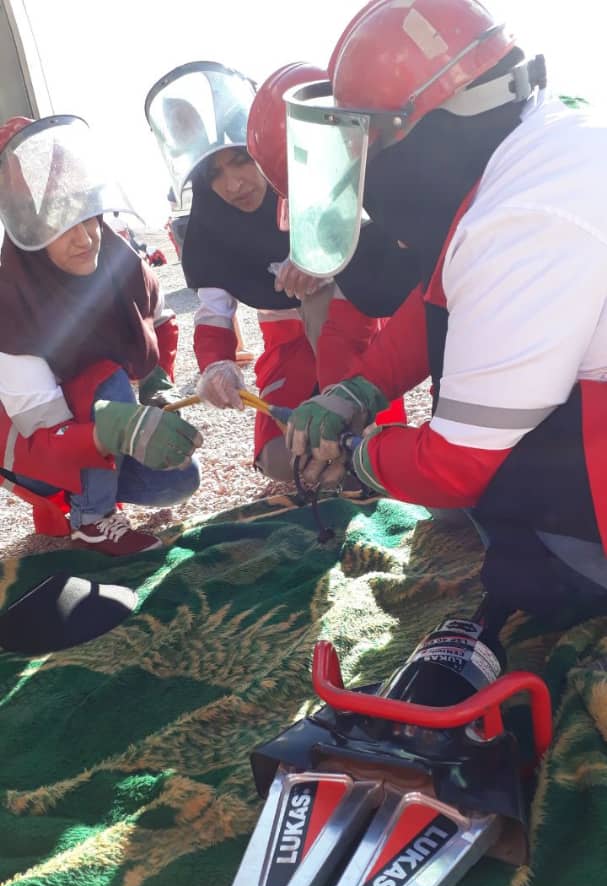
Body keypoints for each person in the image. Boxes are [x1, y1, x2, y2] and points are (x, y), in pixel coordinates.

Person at [283, 0, 607, 619]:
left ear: (422, 139)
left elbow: (453, 468)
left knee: (522, 567)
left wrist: (357, 455)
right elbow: (445, 295)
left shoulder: (522, 219)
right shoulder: (537, 135)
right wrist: (359, 390)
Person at [145, 61, 419, 483]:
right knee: (279, 460)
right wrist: (217, 367)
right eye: (214, 174)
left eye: (241, 161)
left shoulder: (312, 177)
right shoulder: (207, 226)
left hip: (349, 323)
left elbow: (378, 240)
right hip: (285, 342)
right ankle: (349, 455)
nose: (232, 185)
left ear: (264, 148)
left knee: (342, 427)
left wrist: (322, 257)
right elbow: (214, 311)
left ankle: (361, 443)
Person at [0, 114, 202, 556]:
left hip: (91, 428)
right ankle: (92, 518)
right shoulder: (11, 305)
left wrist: (156, 386)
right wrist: (113, 428)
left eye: (85, 215)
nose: (84, 238)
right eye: (57, 226)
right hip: (34, 454)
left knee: (181, 477)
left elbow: (161, 319)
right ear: (26, 233)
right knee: (106, 376)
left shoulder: (121, 261)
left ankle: (90, 494)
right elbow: (39, 438)